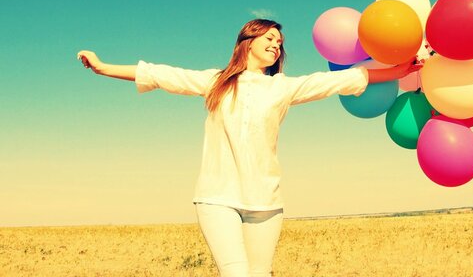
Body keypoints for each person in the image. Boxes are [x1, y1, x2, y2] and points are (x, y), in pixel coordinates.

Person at [77, 19, 422, 277]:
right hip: (217, 197)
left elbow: (345, 79)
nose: (276, 44)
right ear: (247, 40)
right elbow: (161, 74)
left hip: (266, 201)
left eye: (280, 42)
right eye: (269, 38)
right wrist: (103, 67)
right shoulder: (217, 81)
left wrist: (399, 70)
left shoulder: (283, 88)